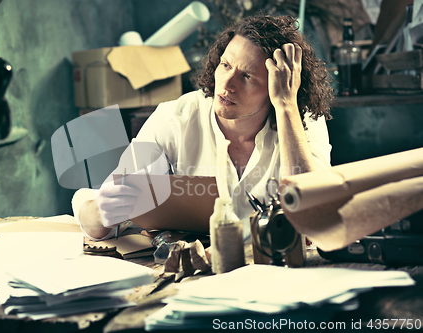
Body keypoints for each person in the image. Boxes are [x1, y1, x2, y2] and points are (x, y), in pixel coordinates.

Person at [72, 13, 333, 241]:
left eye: (247, 77)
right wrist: (98, 214)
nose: (227, 84)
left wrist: (286, 106)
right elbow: (108, 202)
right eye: (225, 65)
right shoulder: (176, 117)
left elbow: (317, 213)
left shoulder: (301, 120)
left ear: (278, 84)